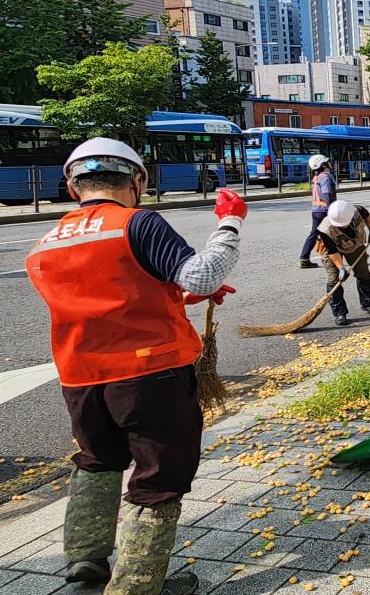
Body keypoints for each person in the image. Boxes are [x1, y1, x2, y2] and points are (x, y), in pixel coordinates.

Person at [25, 138, 246, 595]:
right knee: (158, 479)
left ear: (72, 187)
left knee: (96, 462)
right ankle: (138, 586)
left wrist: (180, 296)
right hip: (150, 377)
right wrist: (230, 223)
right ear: (137, 181)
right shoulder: (138, 223)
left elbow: (106, 296)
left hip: (81, 380)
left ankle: (85, 563)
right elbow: (203, 272)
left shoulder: (44, 245)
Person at [316, 198, 370, 326]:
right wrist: (341, 268)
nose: (342, 226)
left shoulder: (357, 210)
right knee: (334, 280)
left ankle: (369, 304)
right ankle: (340, 313)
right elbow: (332, 251)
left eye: (344, 224)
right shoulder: (325, 228)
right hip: (332, 250)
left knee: (363, 273)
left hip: (355, 245)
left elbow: (366, 216)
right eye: (339, 225)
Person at [299, 154, 335, 269]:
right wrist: (333, 210)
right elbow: (327, 194)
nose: (330, 163)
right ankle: (335, 257)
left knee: (315, 234)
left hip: (316, 210)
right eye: (327, 162)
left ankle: (304, 258)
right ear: (324, 165)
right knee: (334, 233)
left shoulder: (317, 177)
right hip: (325, 210)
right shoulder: (325, 177)